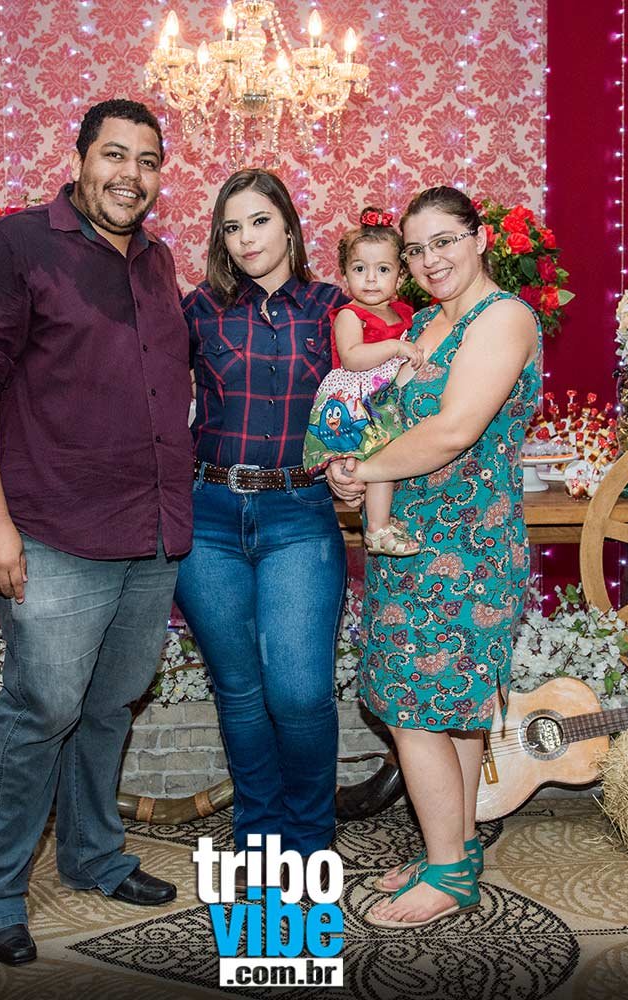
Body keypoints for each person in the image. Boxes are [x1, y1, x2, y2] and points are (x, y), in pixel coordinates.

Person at [0, 98, 193, 966]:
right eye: (114, 155)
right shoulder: (14, 245)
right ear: (79, 159)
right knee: (42, 710)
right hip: (52, 527)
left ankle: (94, 856)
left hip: (150, 529)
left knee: (110, 706)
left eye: (147, 161)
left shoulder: (156, 261)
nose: (130, 175)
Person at [326, 186, 540, 929]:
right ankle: (458, 847)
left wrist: (367, 467)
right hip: (404, 543)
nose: (428, 260)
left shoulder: (504, 318)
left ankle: (449, 875)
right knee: (447, 711)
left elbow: (454, 431)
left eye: (444, 241)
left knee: (418, 712)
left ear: (480, 238)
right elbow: (384, 418)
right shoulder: (420, 325)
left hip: (469, 548)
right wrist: (349, 465)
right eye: (415, 249)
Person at [174, 168, 350, 864]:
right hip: (209, 516)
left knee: (300, 693)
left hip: (299, 513)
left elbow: (374, 395)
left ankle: (310, 838)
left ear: (290, 227)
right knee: (241, 692)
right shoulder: (198, 309)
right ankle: (260, 838)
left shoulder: (333, 307)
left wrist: (360, 465)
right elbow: (144, 393)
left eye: (259, 221)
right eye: (231, 227)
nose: (246, 239)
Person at [301, 207, 423, 557]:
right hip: (358, 401)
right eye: (359, 269)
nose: (370, 279)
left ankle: (383, 521)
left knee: (392, 458)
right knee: (380, 457)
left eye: (382, 269)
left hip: (386, 397)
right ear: (344, 273)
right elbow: (352, 357)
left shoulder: (405, 313)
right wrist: (395, 347)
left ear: (400, 275)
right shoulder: (350, 315)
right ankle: (376, 529)